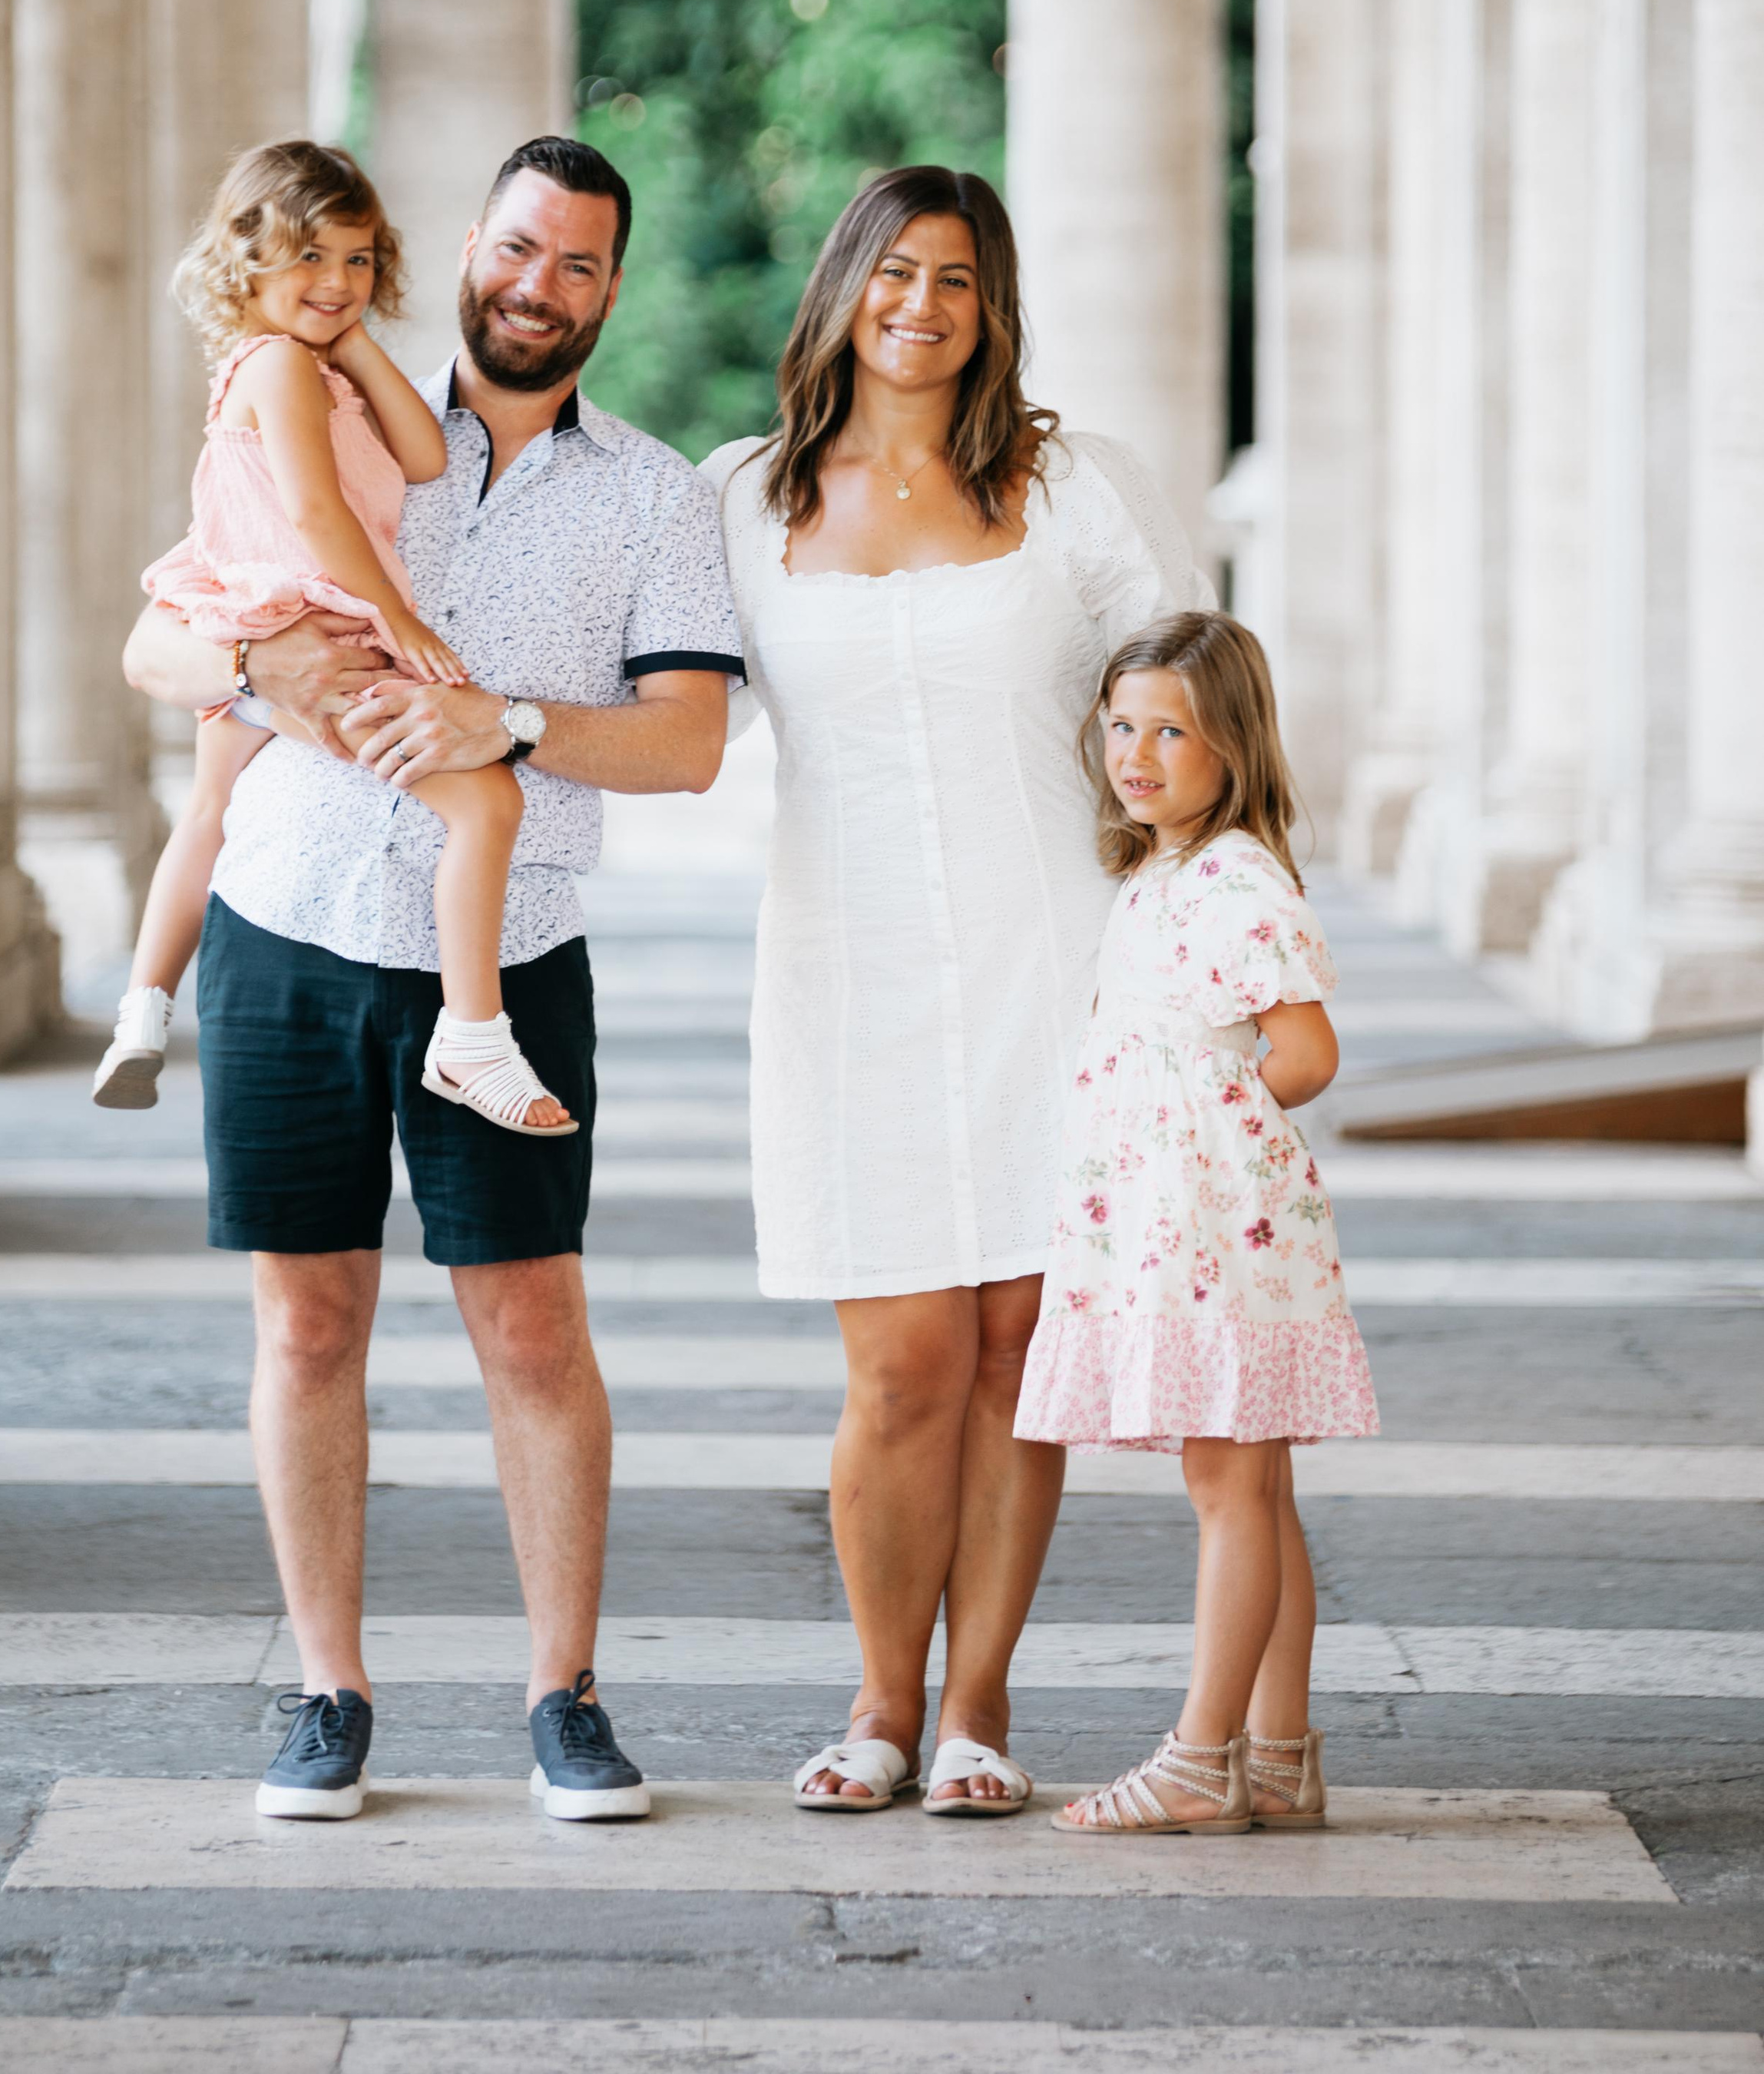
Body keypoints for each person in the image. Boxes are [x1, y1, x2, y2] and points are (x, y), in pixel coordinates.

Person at [121, 135, 745, 1826]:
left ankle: (565, 1695)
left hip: (510, 953)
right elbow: (152, 643)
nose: (539, 287)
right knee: (305, 1322)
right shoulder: (312, 398)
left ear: (611, 291)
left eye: (580, 266)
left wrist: (512, 723)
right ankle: (328, 1691)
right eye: (520, 249)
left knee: (530, 1328)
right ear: (467, 251)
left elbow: (687, 746)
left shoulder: (652, 496)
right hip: (285, 921)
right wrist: (249, 656)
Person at [702, 167, 1209, 1818]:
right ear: (843, 286)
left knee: (1011, 1353)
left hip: (1050, 957)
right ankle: (874, 1705)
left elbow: (1193, 695)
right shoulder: (739, 501)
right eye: (894, 273)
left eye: (958, 282)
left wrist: (1212, 928)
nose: (921, 306)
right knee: (897, 1363)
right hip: (845, 972)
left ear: (992, 311)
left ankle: (977, 1710)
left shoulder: (1064, 487)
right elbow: (629, 680)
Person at [98, 140, 568, 1139]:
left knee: (212, 806)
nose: (338, 281)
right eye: (311, 257)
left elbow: (428, 453)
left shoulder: (314, 369)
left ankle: (142, 1012)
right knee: (484, 798)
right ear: (248, 256)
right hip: (316, 624)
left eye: (358, 260)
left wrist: (353, 341)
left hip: (270, 618)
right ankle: (473, 1036)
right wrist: (399, 621)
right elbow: (316, 510)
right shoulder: (275, 367)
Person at [1014, 609, 1379, 1836]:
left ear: (1235, 743)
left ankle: (1200, 1756)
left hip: (1215, 1224)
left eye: (1173, 729)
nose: (1139, 752)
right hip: (1193, 1219)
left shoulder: (1232, 877)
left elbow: (1305, 1053)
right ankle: (1278, 1752)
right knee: (1255, 1489)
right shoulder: (1163, 870)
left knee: (1230, 1484)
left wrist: (1199, 1133)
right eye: (1124, 725)